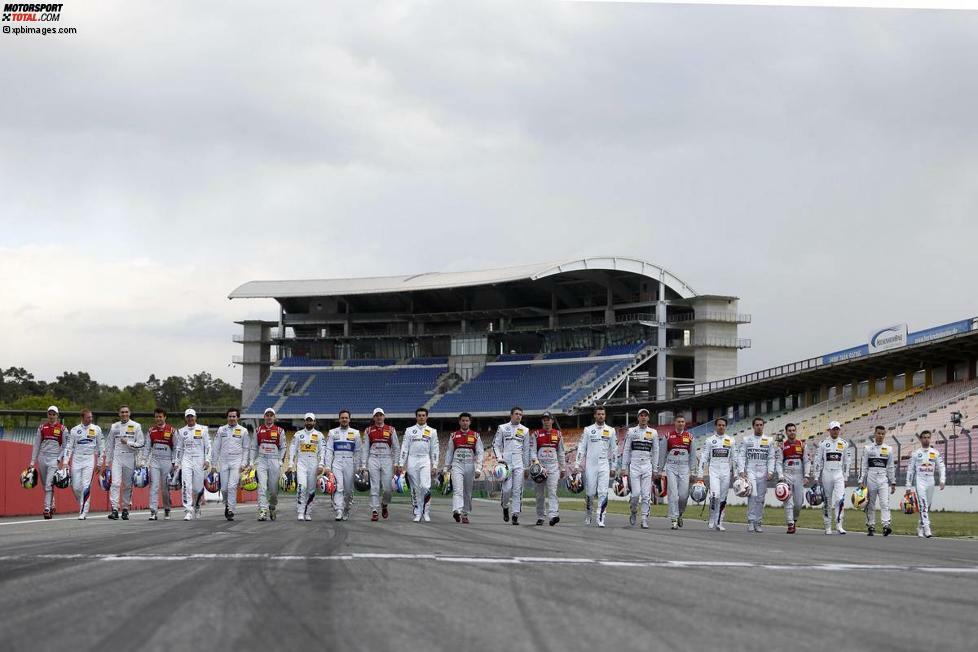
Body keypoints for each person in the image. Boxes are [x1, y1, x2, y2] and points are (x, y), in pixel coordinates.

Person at [575, 406, 618, 528]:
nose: (601, 416)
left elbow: (614, 450)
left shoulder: (611, 430)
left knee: (603, 492)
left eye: (603, 414)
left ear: (605, 416)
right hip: (590, 465)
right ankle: (588, 514)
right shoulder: (588, 430)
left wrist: (613, 467)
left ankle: (601, 518)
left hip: (604, 464)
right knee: (590, 492)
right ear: (595, 415)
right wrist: (577, 464)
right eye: (598, 414)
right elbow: (581, 447)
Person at [60, 408, 103, 520]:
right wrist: (65, 462)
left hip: (89, 458)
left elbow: (100, 447)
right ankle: (82, 502)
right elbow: (69, 447)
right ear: (82, 418)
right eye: (88, 417)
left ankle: (83, 511)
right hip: (77, 459)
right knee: (75, 486)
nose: (90, 419)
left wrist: (99, 463)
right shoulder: (74, 430)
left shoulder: (96, 429)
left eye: (91, 417)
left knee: (86, 485)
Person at [104, 405, 145, 520]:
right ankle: (115, 509)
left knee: (127, 485)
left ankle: (125, 509)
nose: (124, 414)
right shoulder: (114, 426)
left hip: (130, 457)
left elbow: (141, 444)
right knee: (115, 483)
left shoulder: (136, 426)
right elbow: (109, 445)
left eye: (126, 412)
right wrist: (107, 462)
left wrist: (128, 442)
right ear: (119, 414)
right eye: (122, 412)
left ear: (130, 413)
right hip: (117, 457)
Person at [398, 407, 439, 523]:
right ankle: (417, 512)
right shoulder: (409, 430)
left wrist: (435, 465)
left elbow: (435, 450)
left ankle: (426, 512)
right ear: (416, 417)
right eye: (419, 415)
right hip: (412, 459)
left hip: (425, 459)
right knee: (415, 489)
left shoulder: (432, 431)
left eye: (423, 415)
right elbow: (404, 448)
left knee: (425, 487)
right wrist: (401, 463)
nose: (421, 417)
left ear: (427, 417)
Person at [811, 421, 851, 535]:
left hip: (839, 474)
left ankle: (839, 525)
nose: (836, 431)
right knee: (827, 501)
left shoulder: (844, 443)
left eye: (837, 429)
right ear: (829, 430)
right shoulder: (823, 443)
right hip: (826, 474)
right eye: (833, 429)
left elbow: (847, 462)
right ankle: (828, 526)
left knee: (840, 499)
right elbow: (818, 460)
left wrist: (846, 477)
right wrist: (816, 476)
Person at [492, 406, 531, 525]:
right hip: (506, 464)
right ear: (511, 415)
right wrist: (500, 459)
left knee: (517, 490)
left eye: (521, 414)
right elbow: (495, 445)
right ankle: (505, 506)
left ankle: (515, 514)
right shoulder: (502, 428)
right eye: (517, 414)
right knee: (507, 489)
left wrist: (526, 468)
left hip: (519, 463)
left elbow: (526, 450)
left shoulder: (525, 430)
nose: (519, 416)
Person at [322, 409, 363, 521]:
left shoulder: (355, 433)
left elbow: (358, 451)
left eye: (346, 417)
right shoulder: (332, 432)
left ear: (349, 419)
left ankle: (346, 509)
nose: (344, 419)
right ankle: (339, 510)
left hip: (350, 463)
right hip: (337, 462)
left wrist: (359, 466)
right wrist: (327, 467)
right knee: (338, 487)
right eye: (342, 417)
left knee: (349, 490)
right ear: (339, 419)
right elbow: (329, 450)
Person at [695, 416, 735, 531]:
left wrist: (736, 473)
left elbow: (734, 458)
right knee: (714, 496)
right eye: (719, 425)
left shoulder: (731, 440)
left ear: (725, 427)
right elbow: (703, 458)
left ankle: (719, 521)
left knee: (723, 498)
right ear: (716, 426)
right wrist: (700, 475)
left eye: (723, 425)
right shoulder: (709, 440)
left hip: (726, 471)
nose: (721, 427)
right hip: (714, 471)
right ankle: (712, 517)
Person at [737, 416, 776, 533]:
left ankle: (758, 522)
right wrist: (741, 471)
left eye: (761, 425)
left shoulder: (769, 440)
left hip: (763, 470)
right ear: (753, 426)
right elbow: (741, 456)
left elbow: (771, 457)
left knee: (761, 498)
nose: (759, 427)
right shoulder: (746, 440)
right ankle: (751, 521)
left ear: (763, 426)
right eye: (757, 425)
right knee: (752, 495)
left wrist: (770, 472)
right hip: (751, 470)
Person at [212, 407, 251, 521]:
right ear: (227, 417)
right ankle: (227, 504)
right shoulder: (221, 430)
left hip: (237, 462)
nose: (232, 418)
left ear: (237, 417)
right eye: (230, 416)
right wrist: (213, 465)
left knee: (232, 486)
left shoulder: (243, 431)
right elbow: (216, 448)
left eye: (234, 416)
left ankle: (231, 510)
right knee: (224, 488)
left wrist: (244, 463)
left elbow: (246, 448)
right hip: (224, 461)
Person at [445, 412, 484, 524]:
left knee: (467, 491)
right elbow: (449, 453)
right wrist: (446, 467)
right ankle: (457, 511)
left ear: (470, 422)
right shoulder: (453, 435)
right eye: (463, 420)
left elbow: (480, 453)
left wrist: (478, 468)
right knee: (458, 490)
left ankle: (465, 513)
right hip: (457, 465)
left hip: (470, 466)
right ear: (459, 422)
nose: (465, 422)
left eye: (467, 420)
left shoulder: (476, 435)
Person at [620, 408, 657, 529]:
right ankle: (633, 510)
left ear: (648, 418)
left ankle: (645, 518)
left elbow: (655, 451)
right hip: (634, 465)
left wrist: (655, 468)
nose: (643, 417)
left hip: (647, 465)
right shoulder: (631, 431)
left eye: (646, 415)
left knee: (646, 495)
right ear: (638, 417)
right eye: (641, 415)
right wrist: (624, 467)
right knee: (635, 494)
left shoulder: (653, 432)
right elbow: (626, 450)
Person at [905, 430, 946, 538]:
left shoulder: (935, 452)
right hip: (920, 481)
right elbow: (910, 470)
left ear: (930, 438)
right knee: (923, 504)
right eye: (924, 437)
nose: (926, 439)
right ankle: (927, 528)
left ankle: (920, 526)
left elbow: (941, 467)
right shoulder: (915, 454)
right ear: (921, 439)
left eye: (928, 437)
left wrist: (942, 480)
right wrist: (908, 485)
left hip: (931, 481)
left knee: (927, 506)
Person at [659, 414, 697, 530]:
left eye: (682, 422)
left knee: (683, 496)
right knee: (673, 495)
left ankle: (680, 513)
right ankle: (674, 519)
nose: (681, 423)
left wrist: (693, 472)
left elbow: (693, 456)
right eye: (678, 421)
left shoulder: (690, 437)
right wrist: (659, 470)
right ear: (675, 423)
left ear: (685, 424)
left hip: (685, 468)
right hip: (671, 467)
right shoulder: (668, 436)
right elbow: (662, 455)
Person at [174, 408, 211, 521]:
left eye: (192, 416)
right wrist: (177, 462)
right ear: (185, 418)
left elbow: (208, 446)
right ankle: (188, 510)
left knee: (197, 488)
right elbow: (179, 448)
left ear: (195, 417)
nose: (190, 418)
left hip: (199, 459)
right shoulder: (181, 431)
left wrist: (207, 460)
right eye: (188, 416)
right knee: (186, 485)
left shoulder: (203, 429)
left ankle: (197, 505)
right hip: (187, 459)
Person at [250, 407, 287, 521]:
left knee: (273, 490)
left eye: (271, 415)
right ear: (264, 417)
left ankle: (272, 506)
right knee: (262, 486)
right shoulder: (258, 430)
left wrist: (280, 461)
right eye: (267, 415)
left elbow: (283, 447)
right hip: (262, 460)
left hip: (274, 460)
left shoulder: (280, 431)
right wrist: (251, 462)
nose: (269, 417)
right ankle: (262, 511)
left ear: (274, 417)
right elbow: (253, 447)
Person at [30, 406, 66, 519]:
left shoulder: (62, 429)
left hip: (54, 459)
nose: (51, 416)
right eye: (50, 414)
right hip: (42, 457)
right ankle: (52, 503)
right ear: (47, 415)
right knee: (45, 484)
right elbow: (36, 445)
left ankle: (47, 509)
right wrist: (32, 461)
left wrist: (59, 459)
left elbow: (65, 446)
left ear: (57, 415)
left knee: (49, 484)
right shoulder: (42, 427)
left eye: (53, 414)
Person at [530, 412, 566, 526]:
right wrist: (536, 464)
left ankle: (553, 515)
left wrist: (563, 468)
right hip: (540, 468)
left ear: (552, 421)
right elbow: (532, 451)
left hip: (553, 468)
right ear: (542, 421)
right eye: (544, 419)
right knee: (539, 494)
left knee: (552, 492)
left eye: (548, 419)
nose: (546, 421)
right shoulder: (536, 434)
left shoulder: (558, 434)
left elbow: (561, 452)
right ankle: (540, 516)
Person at [364, 407, 400, 522]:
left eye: (381, 415)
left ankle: (384, 504)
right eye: (376, 415)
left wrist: (396, 463)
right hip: (373, 459)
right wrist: (363, 465)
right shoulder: (368, 430)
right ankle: (374, 510)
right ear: (374, 417)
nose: (379, 417)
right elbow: (365, 449)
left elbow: (396, 448)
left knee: (388, 488)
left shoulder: (391, 429)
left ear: (384, 416)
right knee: (374, 486)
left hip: (387, 459)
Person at [860, 425, 896, 536]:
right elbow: (864, 466)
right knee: (870, 504)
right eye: (878, 433)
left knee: (885, 503)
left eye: (882, 434)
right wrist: (861, 480)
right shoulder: (867, 448)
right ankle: (871, 526)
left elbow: (890, 467)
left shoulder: (889, 449)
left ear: (885, 435)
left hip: (883, 479)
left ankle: (886, 526)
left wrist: (893, 482)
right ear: (874, 434)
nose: (880, 436)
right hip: (871, 478)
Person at [288, 413, 324, 521]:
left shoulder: (319, 435)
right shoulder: (298, 434)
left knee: (311, 490)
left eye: (311, 420)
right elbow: (292, 449)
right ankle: (300, 511)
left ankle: (308, 512)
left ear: (314, 422)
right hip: (301, 464)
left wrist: (321, 464)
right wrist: (290, 464)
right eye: (307, 420)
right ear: (305, 422)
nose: (309, 422)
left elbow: (323, 451)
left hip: (313, 464)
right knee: (301, 487)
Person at [143, 407, 176, 521]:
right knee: (154, 486)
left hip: (167, 462)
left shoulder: (172, 430)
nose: (158, 419)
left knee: (165, 488)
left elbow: (176, 447)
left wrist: (175, 462)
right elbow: (147, 447)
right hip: (155, 462)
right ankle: (153, 511)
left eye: (160, 416)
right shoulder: (151, 430)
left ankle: (167, 509)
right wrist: (143, 461)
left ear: (165, 417)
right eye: (156, 416)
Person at [776, 423, 808, 534]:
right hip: (787, 475)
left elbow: (807, 462)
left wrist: (806, 475)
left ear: (796, 431)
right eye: (789, 430)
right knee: (788, 501)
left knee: (799, 503)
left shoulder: (802, 445)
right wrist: (781, 476)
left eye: (793, 430)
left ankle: (794, 520)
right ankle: (790, 524)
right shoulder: (782, 446)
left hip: (799, 475)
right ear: (786, 432)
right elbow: (779, 462)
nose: (792, 432)